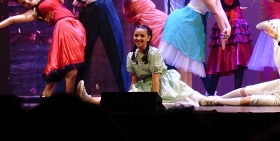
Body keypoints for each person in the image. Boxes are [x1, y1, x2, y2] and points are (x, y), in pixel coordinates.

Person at [77, 24, 205, 108]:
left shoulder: (154, 53)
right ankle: (91, 100)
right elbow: (134, 79)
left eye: (142, 36)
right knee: (126, 101)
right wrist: (132, 93)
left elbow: (156, 79)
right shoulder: (132, 56)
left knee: (194, 99)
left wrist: (154, 101)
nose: (138, 38)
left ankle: (91, 101)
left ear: (148, 38)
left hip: (162, 85)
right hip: (146, 85)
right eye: (136, 35)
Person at [0, 0, 86, 97]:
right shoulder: (35, 12)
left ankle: (52, 95)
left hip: (75, 25)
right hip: (65, 27)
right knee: (71, 63)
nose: (27, 2)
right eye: (24, 3)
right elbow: (11, 20)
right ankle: (68, 97)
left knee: (68, 62)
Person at [159, 0, 232, 87]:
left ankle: (188, 95)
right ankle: (183, 96)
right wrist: (224, 32)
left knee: (187, 68)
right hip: (184, 23)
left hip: (194, 26)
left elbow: (220, 9)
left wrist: (228, 27)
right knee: (183, 66)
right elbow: (215, 12)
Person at [204, 0, 253, 95]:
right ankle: (211, 93)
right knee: (218, 57)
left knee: (238, 59)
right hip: (222, 24)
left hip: (236, 25)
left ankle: (236, 93)